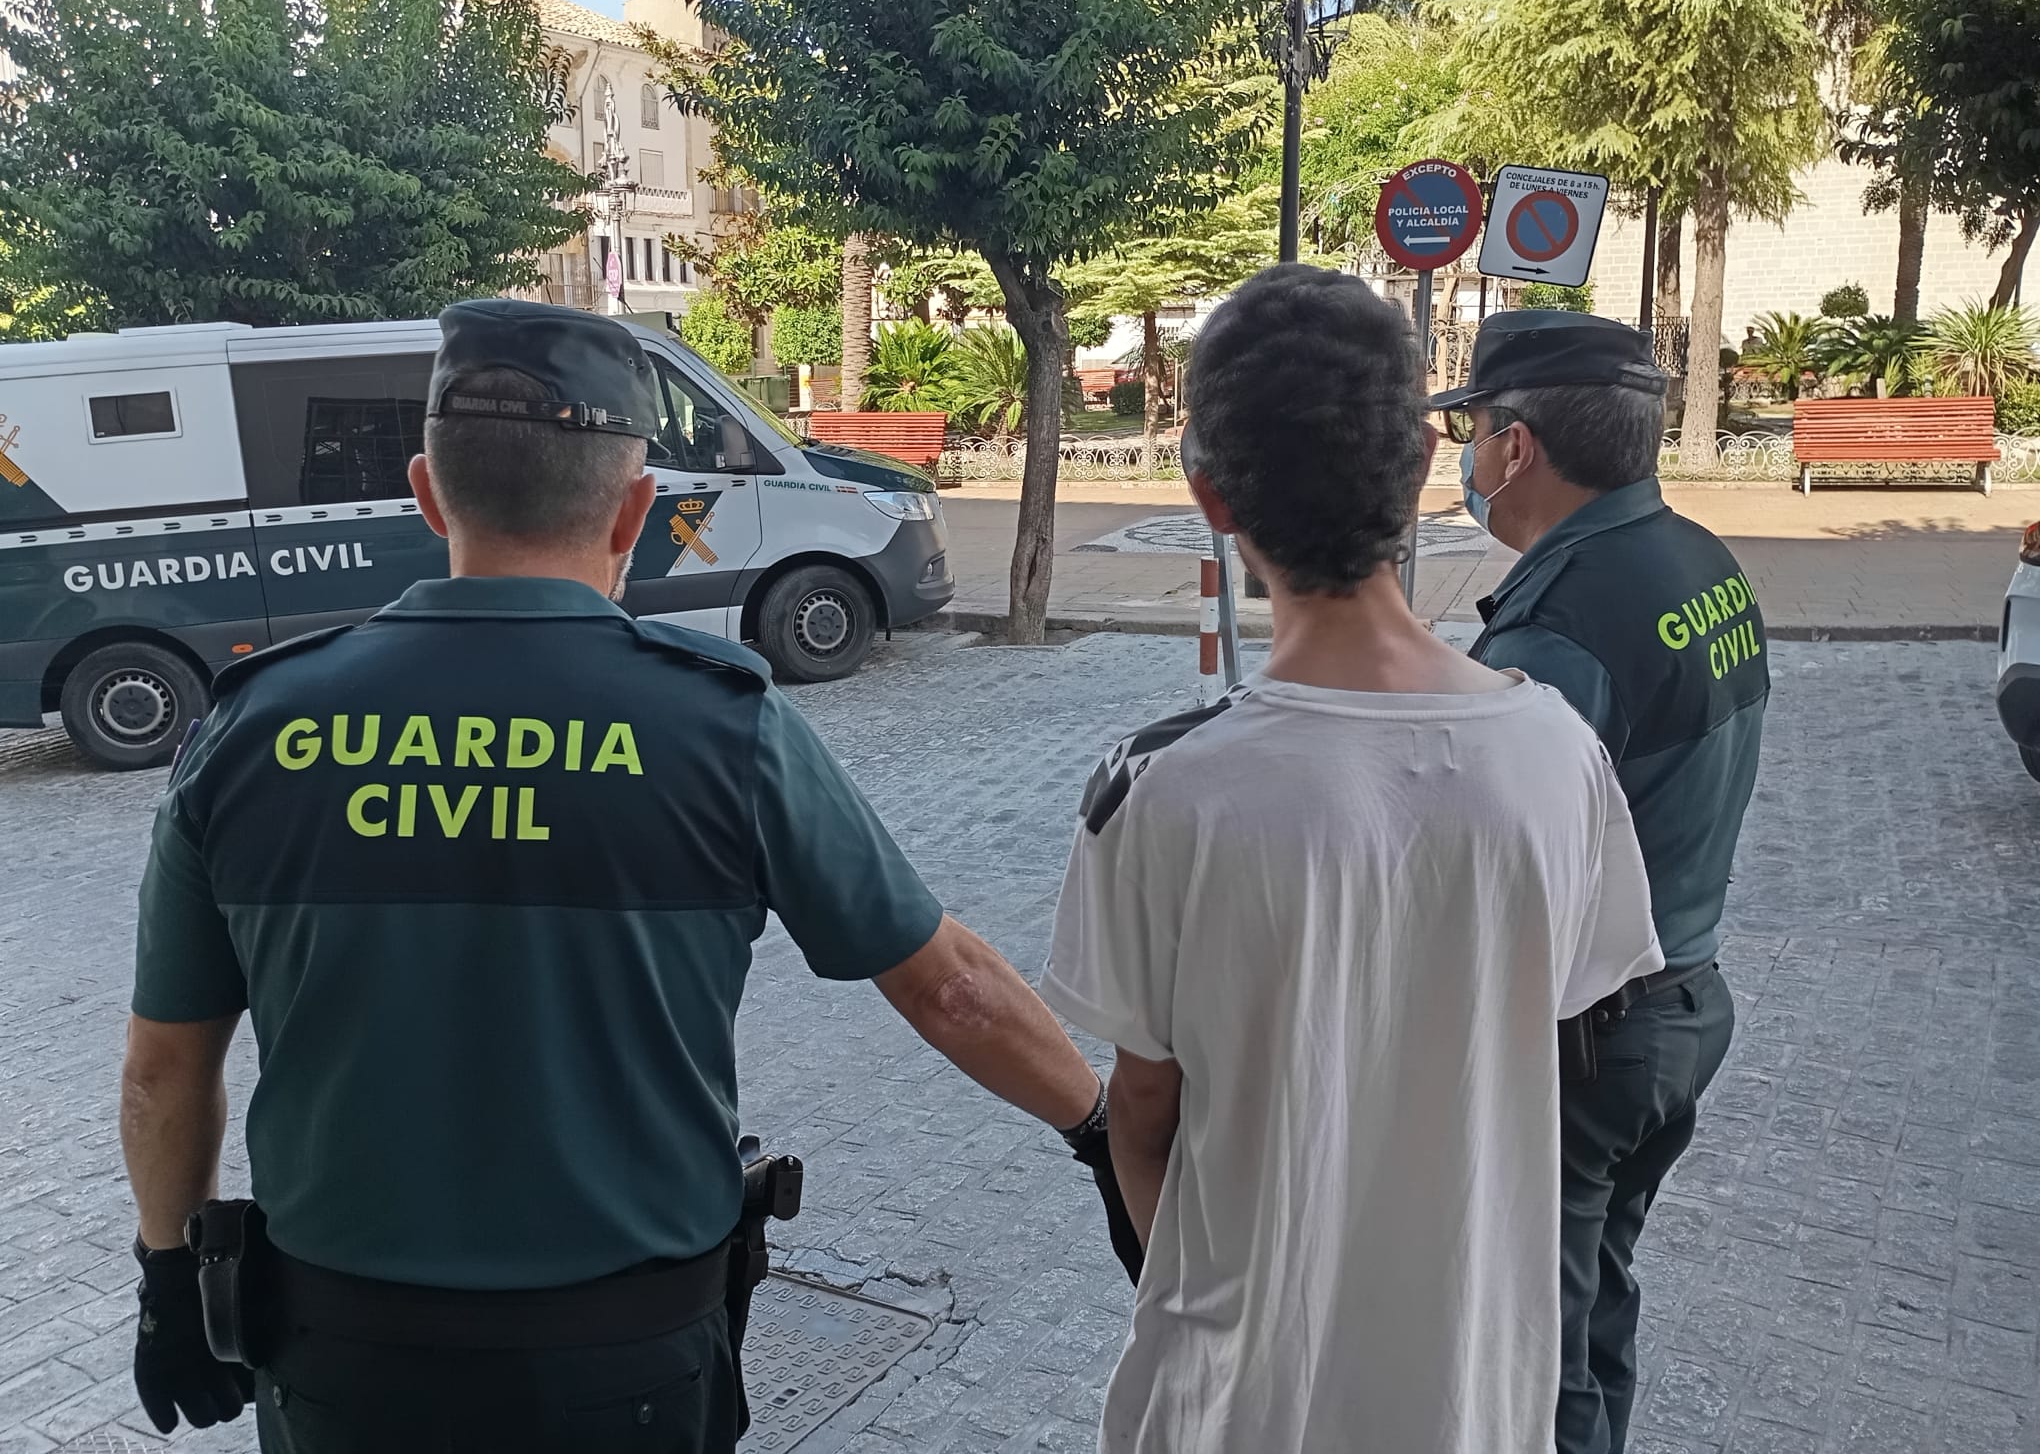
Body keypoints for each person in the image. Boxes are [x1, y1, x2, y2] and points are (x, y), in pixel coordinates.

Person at [118, 299, 1110, 1454]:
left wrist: (169, 1271)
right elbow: (951, 990)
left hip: (342, 1362)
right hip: (623, 1365)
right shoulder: (723, 728)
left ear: (428, 493)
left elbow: (161, 1068)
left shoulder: (251, 728)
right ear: (636, 510)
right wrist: (1096, 1130)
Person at [1039, 265, 1664, 1454]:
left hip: (1237, 1402)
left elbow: (1144, 1116)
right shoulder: (1558, 753)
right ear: (1425, 471)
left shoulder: (1162, 789)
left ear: (1210, 499)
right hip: (1475, 1393)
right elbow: (1567, 1035)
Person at [1438, 310, 1768, 1454]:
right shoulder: (1697, 559)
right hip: (1681, 1003)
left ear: (1516, 448)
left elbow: (1490, 873)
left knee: (1541, 1346)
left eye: (1471, 434)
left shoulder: (1561, 628)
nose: (1468, 463)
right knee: (1597, 1295)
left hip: (1588, 1038)